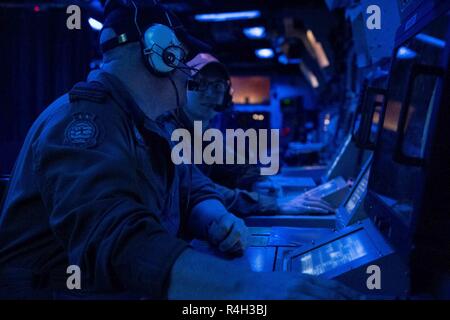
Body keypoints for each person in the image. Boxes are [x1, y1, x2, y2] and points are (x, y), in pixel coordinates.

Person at [0, 0, 359, 300]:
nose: (187, 74)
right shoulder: (83, 124)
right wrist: (249, 287)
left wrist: (216, 218)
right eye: (181, 58)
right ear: (160, 56)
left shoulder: (150, 122)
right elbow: (119, 241)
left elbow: (190, 188)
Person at [157, 53, 335, 217]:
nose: (210, 93)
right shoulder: (169, 133)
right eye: (201, 83)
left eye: (218, 86)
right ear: (182, 88)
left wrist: (257, 181)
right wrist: (273, 204)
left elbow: (237, 167)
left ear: (226, 98)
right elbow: (199, 190)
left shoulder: (203, 135)